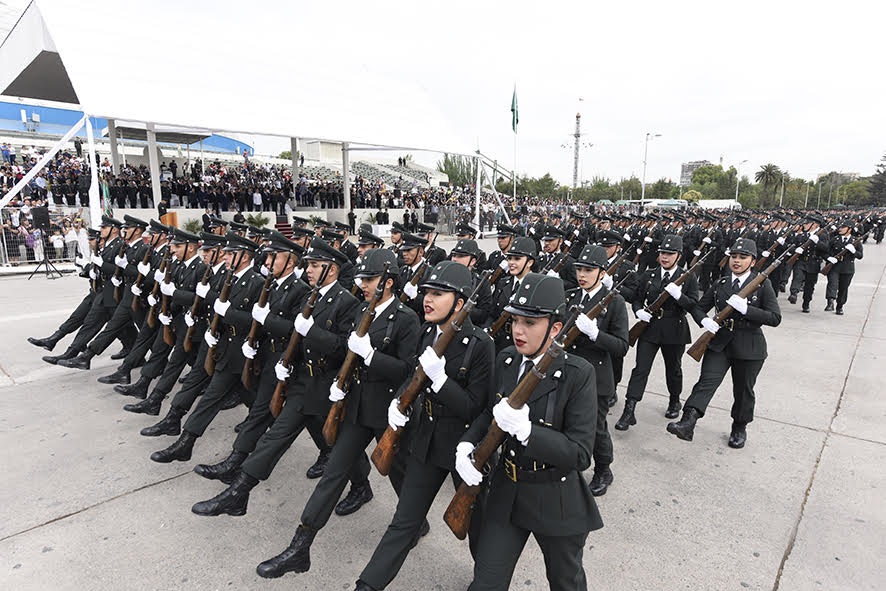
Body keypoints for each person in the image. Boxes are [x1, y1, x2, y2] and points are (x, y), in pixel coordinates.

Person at [254, 248, 420, 579]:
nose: (363, 285)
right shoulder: (361, 309)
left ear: (388, 282)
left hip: (387, 413)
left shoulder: (406, 318)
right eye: (362, 279)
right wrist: (341, 385)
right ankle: (300, 546)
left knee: (399, 473)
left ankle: (415, 521)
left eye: (370, 280)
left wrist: (371, 356)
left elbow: (407, 370)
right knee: (333, 473)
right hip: (357, 408)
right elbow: (346, 354)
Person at [354, 261, 495, 591]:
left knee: (477, 525)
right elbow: (410, 378)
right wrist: (399, 401)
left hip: (464, 448)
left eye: (438, 294)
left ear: (459, 304)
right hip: (426, 441)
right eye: (427, 293)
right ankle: (367, 585)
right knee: (404, 522)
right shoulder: (425, 330)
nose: (427, 300)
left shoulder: (479, 344)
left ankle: (488, 581)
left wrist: (441, 380)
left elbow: (477, 407)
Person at [457, 272, 602, 591]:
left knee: (566, 582)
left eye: (530, 323)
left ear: (555, 328)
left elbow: (580, 453)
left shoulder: (578, 374)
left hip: (555, 496)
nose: (518, 330)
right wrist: (466, 445)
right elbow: (488, 413)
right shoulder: (507, 359)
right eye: (515, 320)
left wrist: (527, 432)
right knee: (486, 581)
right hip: (507, 490)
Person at [668, 238, 781, 448]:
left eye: (743, 257)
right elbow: (699, 306)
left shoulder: (763, 284)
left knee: (743, 390)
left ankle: (739, 426)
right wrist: (704, 321)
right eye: (734, 257)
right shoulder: (720, 283)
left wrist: (747, 310)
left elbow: (775, 318)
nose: (737, 261)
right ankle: (688, 421)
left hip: (749, 346)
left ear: (753, 261)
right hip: (720, 341)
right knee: (706, 382)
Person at [616, 234, 699, 430]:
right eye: (663, 253)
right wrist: (638, 311)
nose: (665, 257)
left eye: (670, 254)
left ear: (678, 256)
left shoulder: (687, 277)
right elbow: (636, 298)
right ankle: (629, 410)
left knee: (674, 369)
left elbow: (693, 304)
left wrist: (679, 296)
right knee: (640, 368)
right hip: (650, 326)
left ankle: (674, 400)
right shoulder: (649, 274)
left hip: (674, 328)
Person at [566, 244, 629, 496]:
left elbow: (622, 346)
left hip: (596, 375)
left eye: (589, 270)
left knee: (595, 426)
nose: (582, 274)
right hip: (569, 371)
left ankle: (604, 468)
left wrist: (595, 334)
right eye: (579, 269)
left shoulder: (614, 302)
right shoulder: (571, 295)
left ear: (602, 273)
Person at [787, 213, 829, 313]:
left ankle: (806, 303)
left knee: (809, 285)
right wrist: (796, 250)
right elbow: (793, 245)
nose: (804, 225)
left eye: (807, 224)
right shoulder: (802, 235)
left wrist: (817, 242)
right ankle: (794, 293)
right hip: (801, 261)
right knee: (797, 276)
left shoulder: (822, 235)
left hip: (814, 263)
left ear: (814, 225)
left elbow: (826, 248)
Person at [824, 219, 863, 315]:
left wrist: (853, 251)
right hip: (834, 266)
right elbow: (825, 251)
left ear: (849, 229)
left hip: (847, 268)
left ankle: (840, 306)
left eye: (843, 227)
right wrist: (829, 258)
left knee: (843, 288)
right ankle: (830, 302)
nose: (840, 229)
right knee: (832, 284)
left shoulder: (855, 241)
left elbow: (860, 255)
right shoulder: (835, 239)